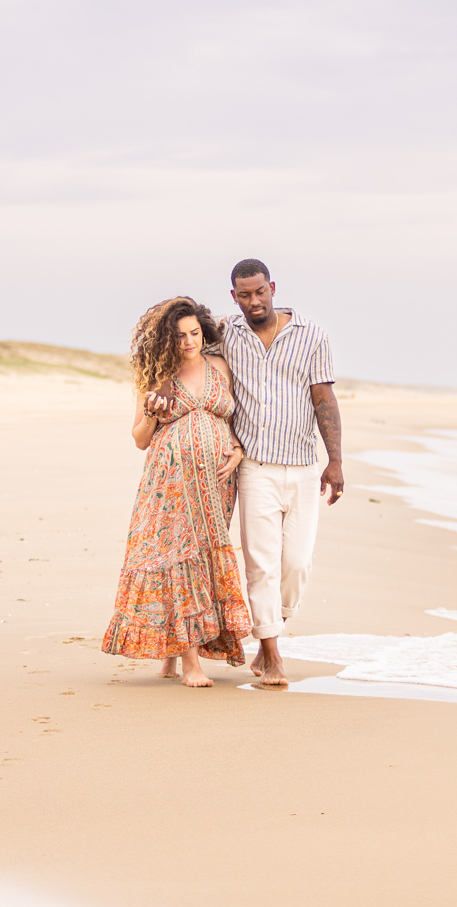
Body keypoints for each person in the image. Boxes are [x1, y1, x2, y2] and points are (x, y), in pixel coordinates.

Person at [100, 297, 252, 687]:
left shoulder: (219, 366)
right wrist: (151, 412)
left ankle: (172, 655)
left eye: (194, 333)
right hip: (171, 485)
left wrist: (235, 447)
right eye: (181, 336)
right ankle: (190, 664)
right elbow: (139, 439)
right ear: (168, 340)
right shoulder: (158, 375)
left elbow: (228, 417)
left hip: (217, 484)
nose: (189, 342)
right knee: (179, 560)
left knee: (201, 558)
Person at [220, 259, 343, 687]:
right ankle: (273, 655)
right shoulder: (225, 335)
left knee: (297, 564)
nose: (253, 301)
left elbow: (324, 398)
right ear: (233, 296)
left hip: (305, 467)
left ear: (272, 287)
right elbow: (184, 350)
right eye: (244, 295)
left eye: (260, 292)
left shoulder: (312, 335)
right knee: (261, 567)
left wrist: (336, 460)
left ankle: (270, 631)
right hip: (255, 469)